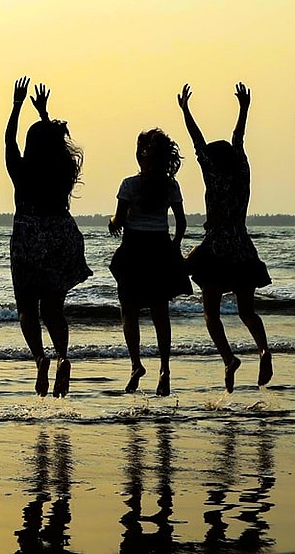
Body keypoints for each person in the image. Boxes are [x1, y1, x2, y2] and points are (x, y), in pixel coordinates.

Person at [178, 83, 274, 392]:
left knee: (211, 312)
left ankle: (229, 359)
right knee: (247, 311)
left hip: (217, 248)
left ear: (211, 161)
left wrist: (185, 111)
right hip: (242, 247)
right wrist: (244, 109)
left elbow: (197, 143)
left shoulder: (213, 174)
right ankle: (263, 349)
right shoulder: (242, 172)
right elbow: (238, 139)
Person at [5, 78, 91, 396]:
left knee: (27, 308)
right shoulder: (63, 170)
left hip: (28, 235)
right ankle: (63, 358)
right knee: (53, 308)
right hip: (59, 234)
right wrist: (44, 115)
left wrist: (16, 107)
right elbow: (55, 145)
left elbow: (8, 142)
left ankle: (41, 358)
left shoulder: (21, 170)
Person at [109, 128, 191, 395]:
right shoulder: (170, 186)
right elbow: (181, 221)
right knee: (160, 314)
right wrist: (175, 246)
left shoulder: (129, 185)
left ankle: (136, 364)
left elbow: (119, 221)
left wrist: (111, 222)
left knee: (128, 311)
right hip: (160, 248)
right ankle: (164, 368)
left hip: (134, 248)